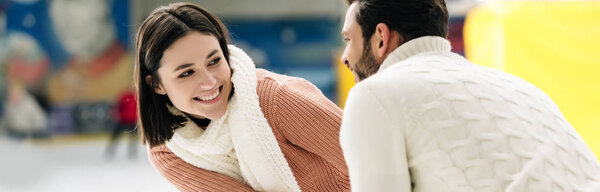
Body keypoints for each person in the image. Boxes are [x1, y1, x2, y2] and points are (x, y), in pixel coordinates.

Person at [338, 0, 600, 191]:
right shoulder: (519, 86)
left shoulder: (373, 96)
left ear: (381, 38)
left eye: (349, 40)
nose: (344, 57)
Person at [135, 3, 349, 191]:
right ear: (156, 84)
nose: (210, 82)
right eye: (187, 73)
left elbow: (373, 154)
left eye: (214, 61)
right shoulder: (170, 150)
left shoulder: (276, 99)